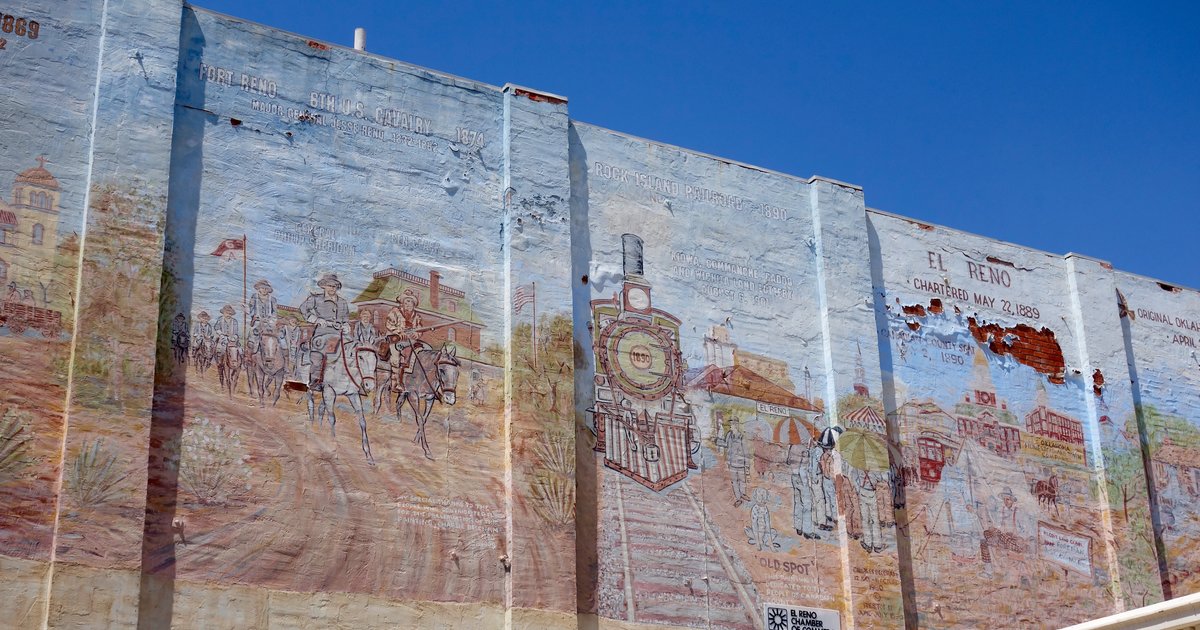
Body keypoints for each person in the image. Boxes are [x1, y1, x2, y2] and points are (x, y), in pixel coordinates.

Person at [300, 273, 350, 389]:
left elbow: (346, 318)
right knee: (317, 358)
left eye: (335, 286)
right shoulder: (316, 299)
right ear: (324, 286)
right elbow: (303, 309)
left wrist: (346, 326)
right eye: (330, 285)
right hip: (321, 334)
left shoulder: (342, 302)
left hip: (338, 335)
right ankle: (315, 382)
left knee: (350, 353)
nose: (333, 288)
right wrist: (316, 319)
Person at [385, 289, 428, 389]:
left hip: (410, 341)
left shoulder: (417, 316)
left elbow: (419, 329)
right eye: (406, 302)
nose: (408, 304)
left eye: (410, 302)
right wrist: (399, 332)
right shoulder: (395, 312)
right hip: (395, 339)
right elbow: (389, 324)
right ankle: (395, 383)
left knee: (424, 350)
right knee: (395, 357)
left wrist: (417, 334)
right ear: (402, 303)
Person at [790, 442, 820, 539]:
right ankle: (807, 531)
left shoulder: (792, 446)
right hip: (801, 478)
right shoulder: (803, 449)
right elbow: (804, 467)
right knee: (807, 504)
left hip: (794, 476)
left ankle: (798, 526)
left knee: (797, 502)